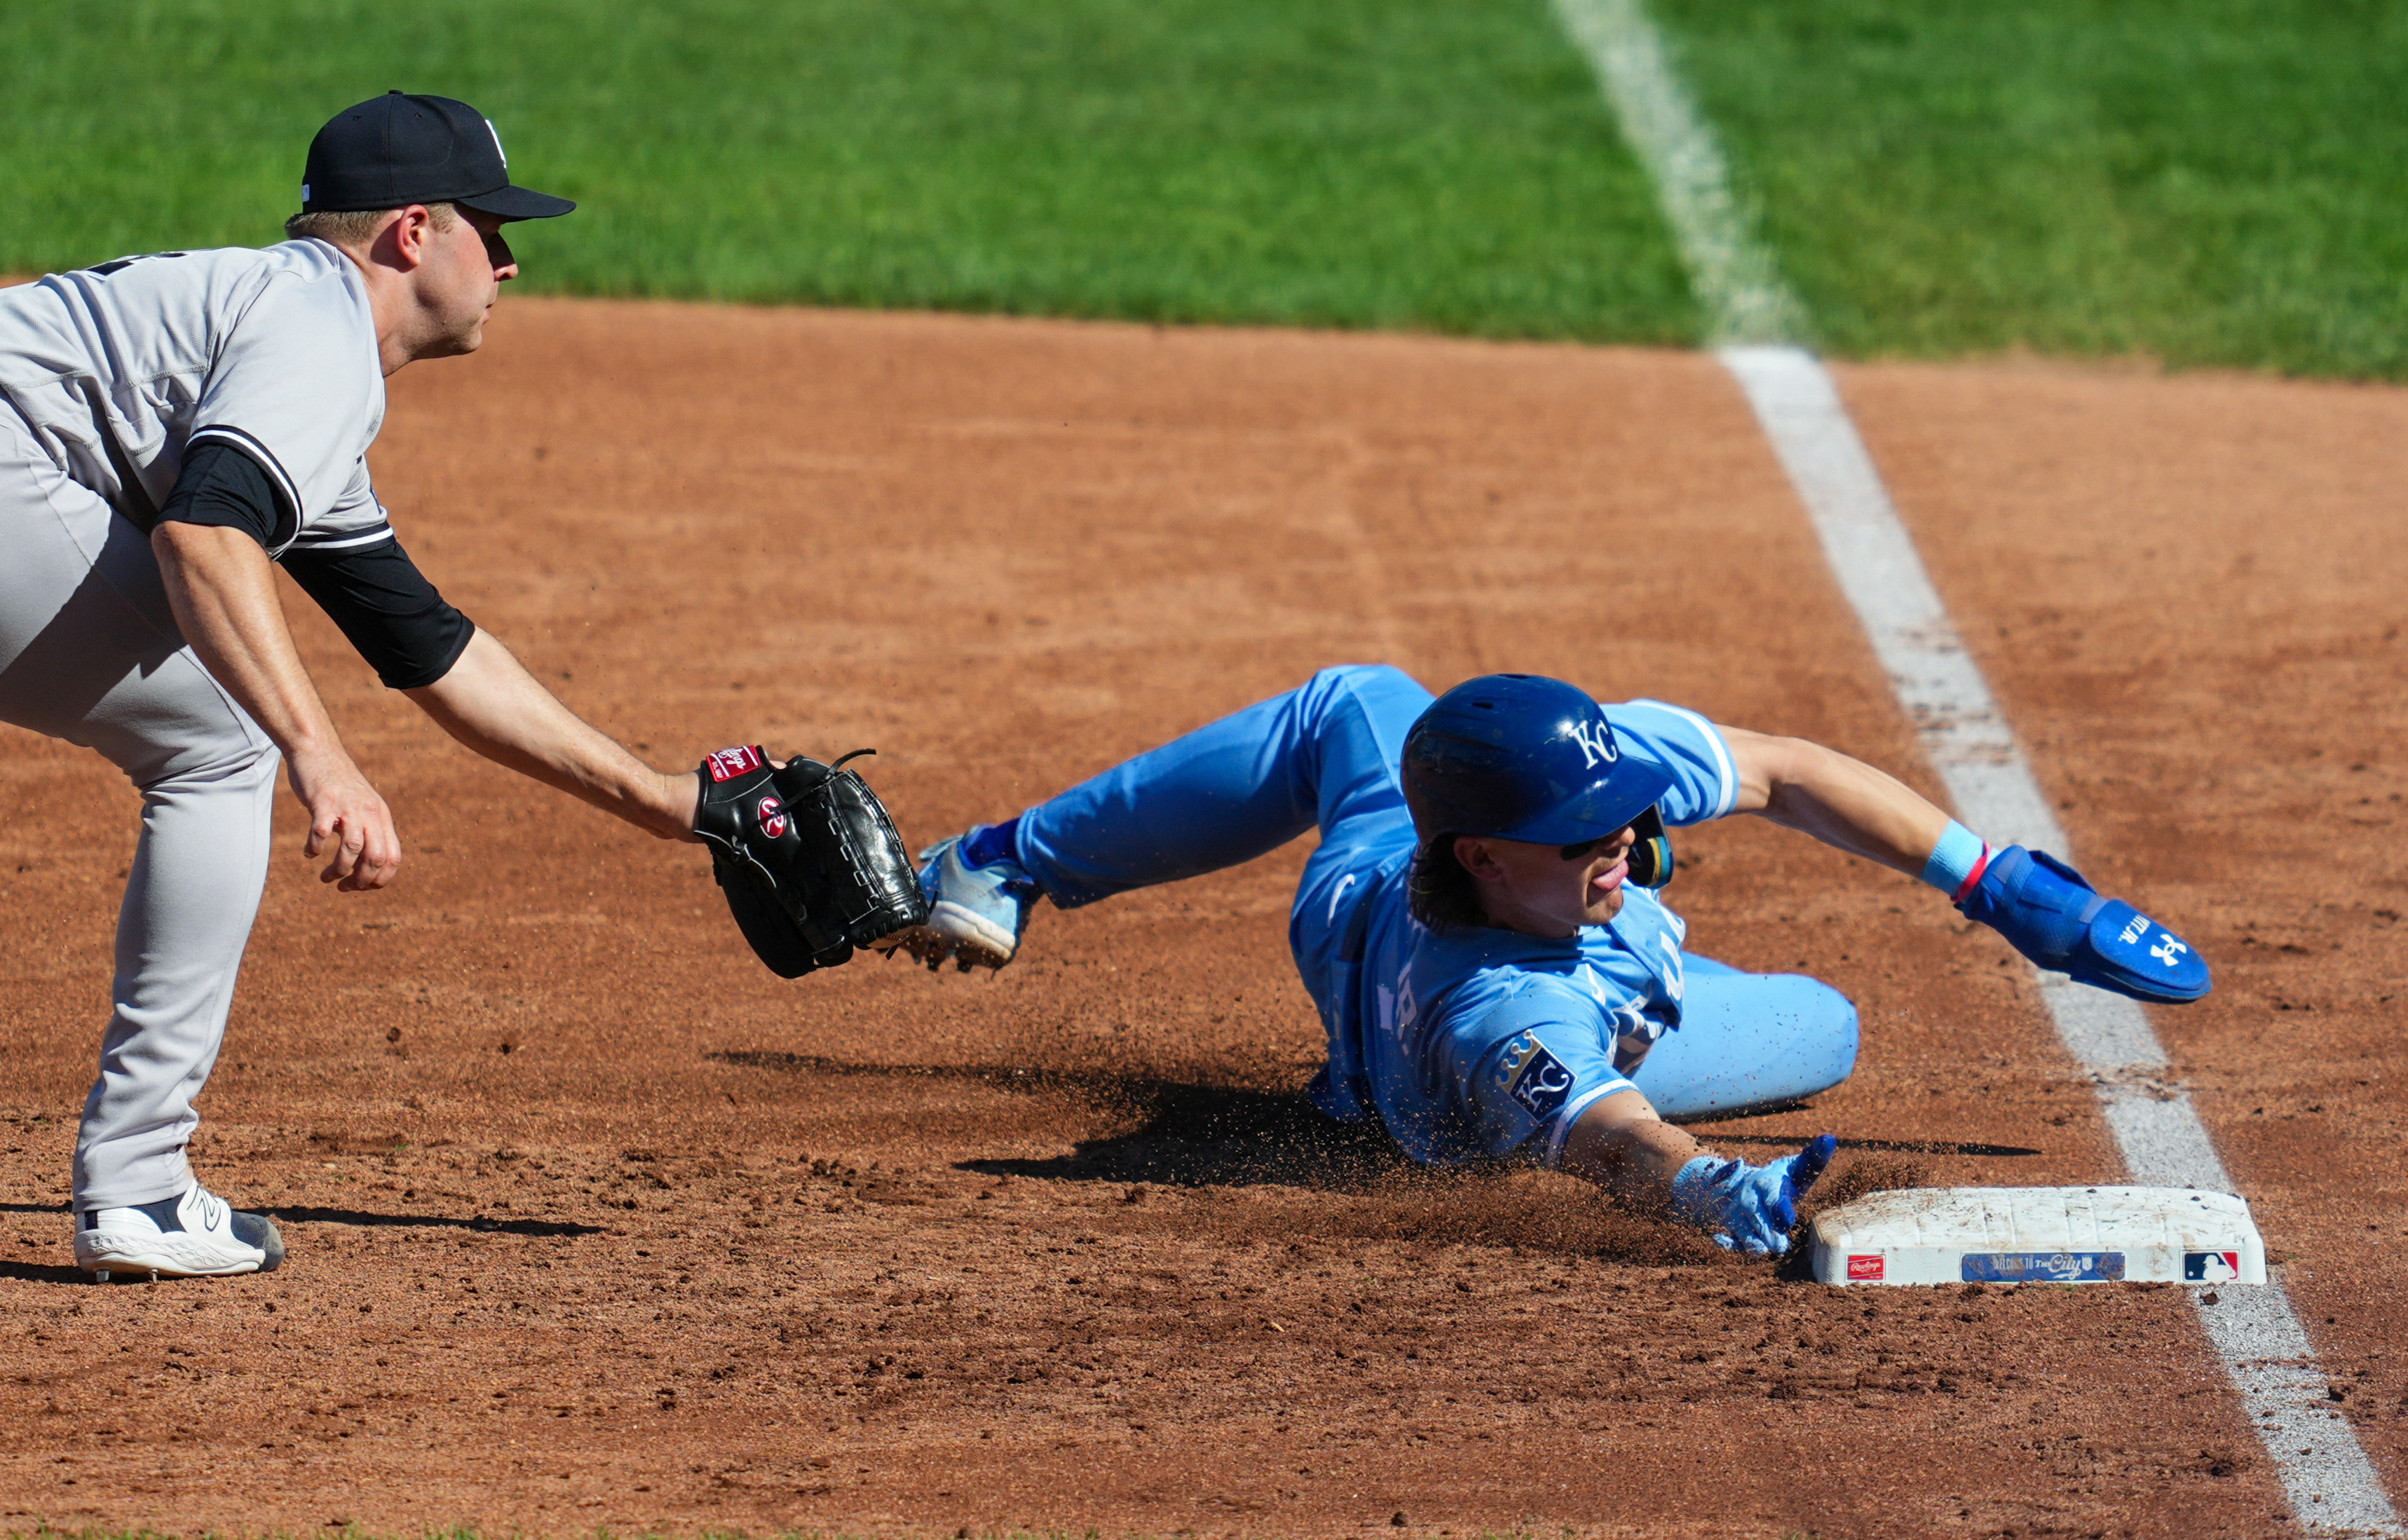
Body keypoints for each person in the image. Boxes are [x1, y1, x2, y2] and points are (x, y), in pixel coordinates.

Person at [0, 93, 708, 1280]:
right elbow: (204, 542)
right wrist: (317, 755)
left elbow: (428, 644)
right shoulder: (316, 334)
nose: (515, 261)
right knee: (220, 740)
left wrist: (659, 798)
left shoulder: (289, 343)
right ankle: (138, 1184)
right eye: (495, 228)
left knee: (221, 722)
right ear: (414, 232)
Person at [904, 665, 2210, 1255]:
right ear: (1480, 853)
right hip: (1440, 1035)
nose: (1629, 837)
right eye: (1586, 839)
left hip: (1363, 879)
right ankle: (1366, 1065)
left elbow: (1788, 771)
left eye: (1622, 817)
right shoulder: (1502, 1015)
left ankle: (1001, 861)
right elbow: (1602, 1125)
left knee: (1357, 696)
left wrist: (2009, 889)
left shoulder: (1557, 780)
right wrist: (1703, 1188)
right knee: (1827, 1027)